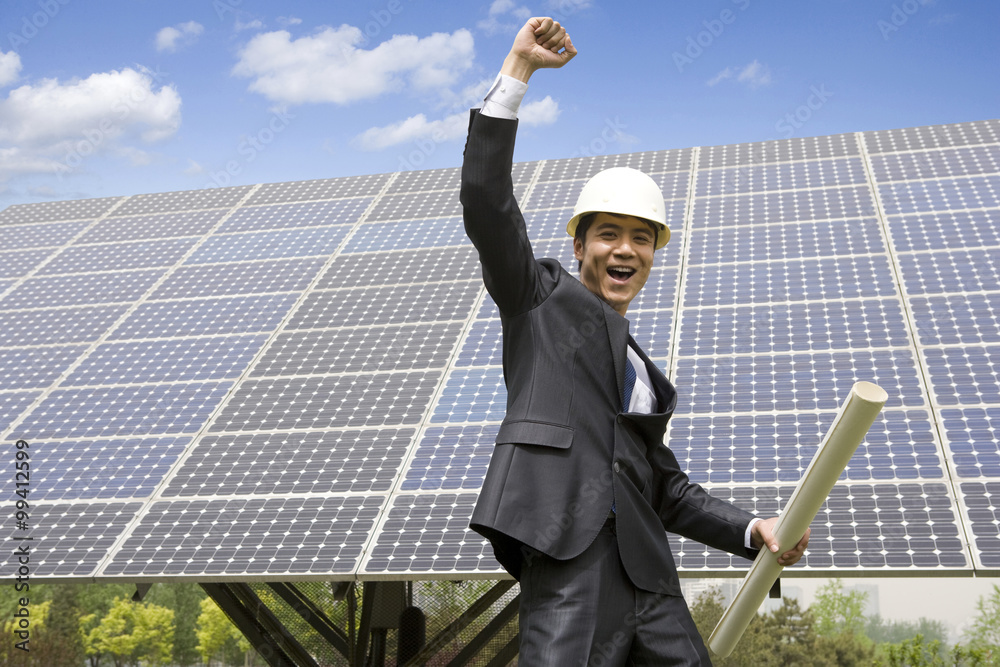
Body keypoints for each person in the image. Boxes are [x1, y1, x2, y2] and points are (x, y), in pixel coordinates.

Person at [461, 17, 810, 666]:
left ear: (653, 254)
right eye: (609, 233)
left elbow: (664, 487)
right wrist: (518, 72)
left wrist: (750, 528)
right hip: (569, 560)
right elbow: (486, 202)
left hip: (650, 576)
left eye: (642, 237)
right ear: (579, 245)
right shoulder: (539, 298)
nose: (626, 248)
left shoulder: (643, 372)